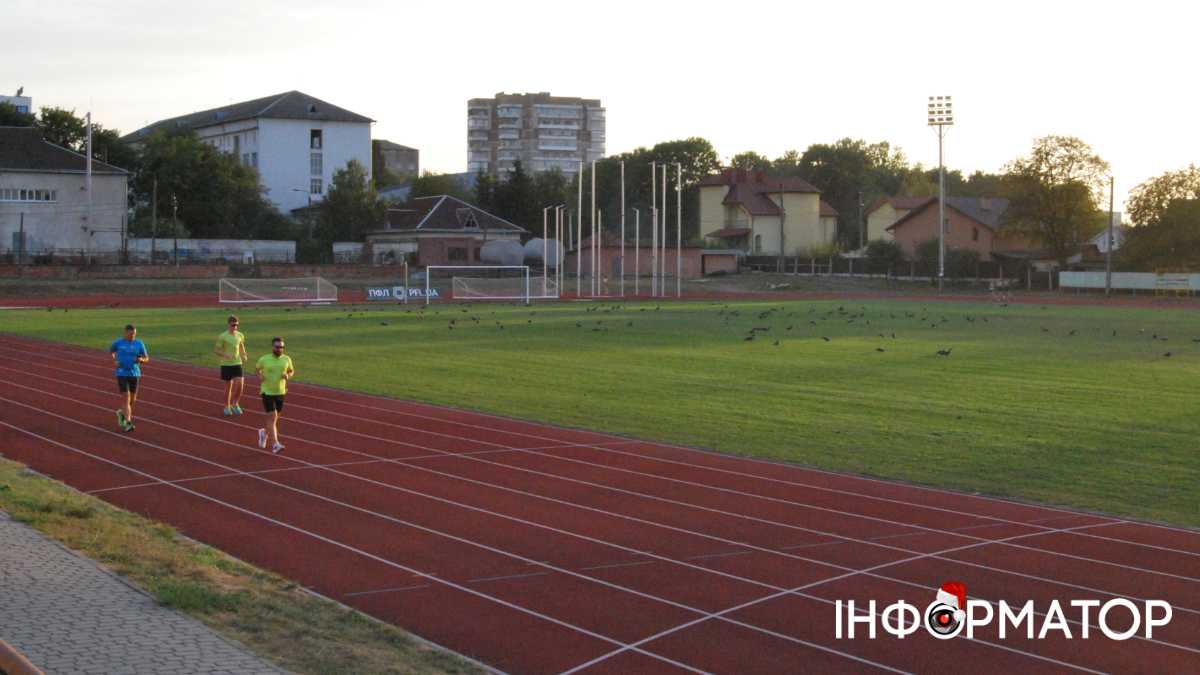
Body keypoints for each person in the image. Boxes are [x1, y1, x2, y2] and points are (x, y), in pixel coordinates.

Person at [254, 337, 294, 454]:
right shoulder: (265, 359)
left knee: (274, 419)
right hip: (267, 391)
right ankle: (275, 444)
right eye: (277, 347)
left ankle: (264, 433)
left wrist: (288, 376)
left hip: (280, 392)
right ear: (272, 347)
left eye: (281, 347)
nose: (279, 349)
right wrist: (260, 376)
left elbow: (291, 370)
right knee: (272, 416)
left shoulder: (287, 359)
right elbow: (257, 369)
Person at [109, 324, 149, 432]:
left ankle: (122, 413)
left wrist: (141, 360)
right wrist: (114, 362)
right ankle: (128, 423)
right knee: (126, 398)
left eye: (134, 334)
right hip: (122, 373)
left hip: (135, 374)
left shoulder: (139, 344)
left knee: (132, 399)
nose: (132, 336)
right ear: (125, 333)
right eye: (130, 334)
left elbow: (146, 357)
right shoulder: (118, 343)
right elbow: (110, 352)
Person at [214, 315, 248, 415]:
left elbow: (241, 345)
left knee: (240, 384)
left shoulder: (240, 335)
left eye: (236, 325)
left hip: (237, 363)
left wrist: (244, 355)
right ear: (228, 324)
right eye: (233, 325)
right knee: (228, 386)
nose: (235, 327)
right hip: (226, 364)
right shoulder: (223, 336)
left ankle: (235, 403)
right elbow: (216, 350)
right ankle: (226, 406)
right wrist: (224, 354)